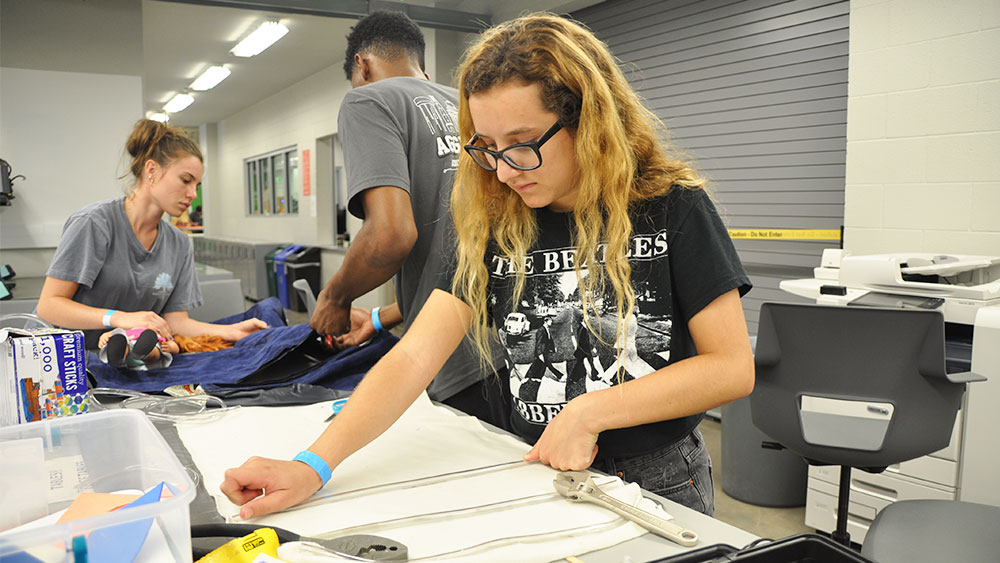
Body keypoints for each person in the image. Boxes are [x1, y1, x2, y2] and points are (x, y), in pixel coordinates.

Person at [222, 13, 754, 519]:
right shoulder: (497, 223)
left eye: (522, 145)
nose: (502, 172)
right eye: (488, 147)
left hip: (659, 477)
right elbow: (414, 359)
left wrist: (590, 411)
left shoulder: (670, 206)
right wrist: (313, 465)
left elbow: (730, 367)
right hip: (539, 466)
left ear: (587, 120)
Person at [307, 11, 508, 426]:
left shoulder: (367, 100)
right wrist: (382, 316)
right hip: (515, 345)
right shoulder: (469, 105)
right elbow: (457, 253)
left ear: (362, 65)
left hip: (453, 355)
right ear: (422, 65)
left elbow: (390, 235)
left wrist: (335, 299)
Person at [37, 119, 268, 349]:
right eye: (186, 180)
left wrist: (231, 330)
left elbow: (176, 323)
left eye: (196, 185)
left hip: (130, 364)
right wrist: (118, 318)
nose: (192, 194)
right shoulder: (94, 224)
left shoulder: (178, 243)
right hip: (68, 363)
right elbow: (49, 306)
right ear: (152, 170)